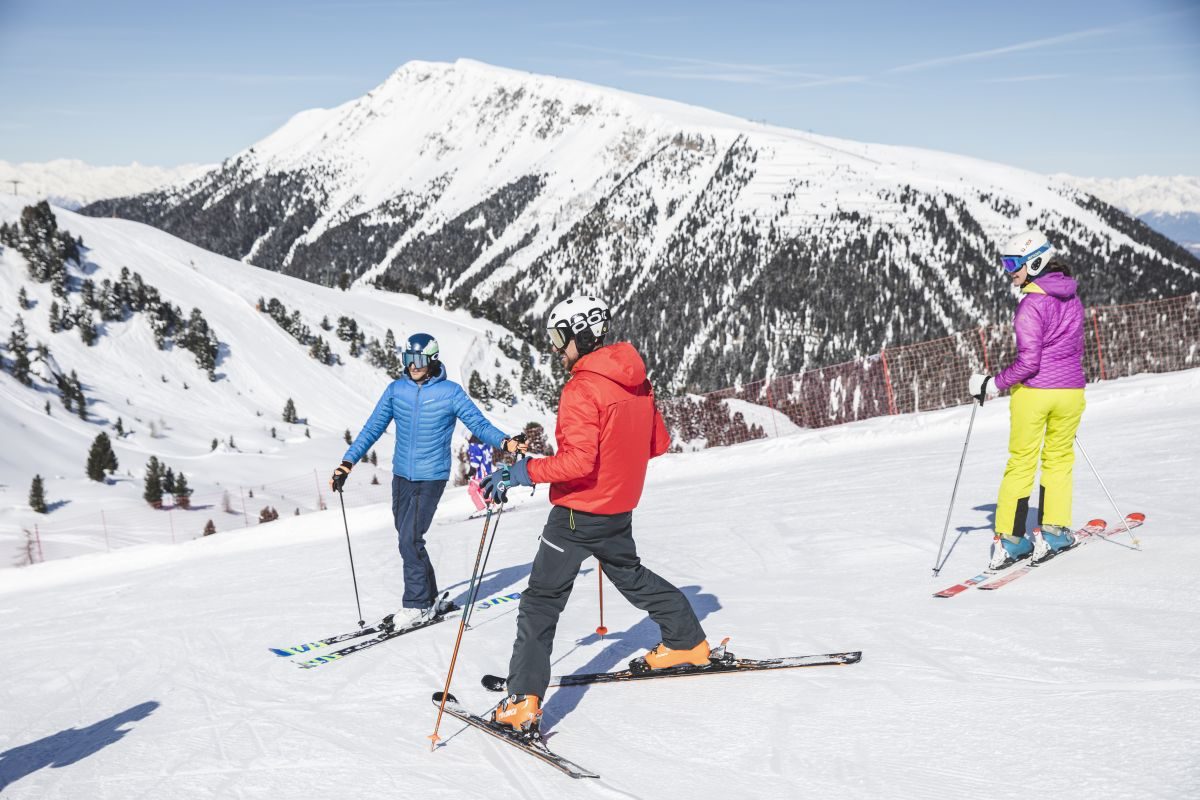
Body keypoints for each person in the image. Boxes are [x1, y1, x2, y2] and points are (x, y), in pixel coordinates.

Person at [479, 296, 709, 735]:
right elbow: (656, 443)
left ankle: (523, 701)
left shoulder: (582, 388)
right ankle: (687, 642)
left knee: (541, 601)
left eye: (556, 338)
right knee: (631, 575)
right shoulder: (635, 380)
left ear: (576, 335)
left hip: (576, 513)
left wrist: (525, 472)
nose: (554, 349)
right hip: (618, 507)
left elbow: (578, 464)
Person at [330, 333, 526, 626]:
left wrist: (506, 443)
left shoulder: (450, 393)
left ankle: (417, 604)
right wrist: (347, 463)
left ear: (433, 360)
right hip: (402, 477)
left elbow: (478, 425)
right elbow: (371, 428)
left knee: (409, 539)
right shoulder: (396, 391)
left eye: (419, 360)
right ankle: (430, 597)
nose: (413, 366)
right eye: (408, 359)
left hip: (431, 476)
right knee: (407, 538)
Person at [969, 230, 1086, 570]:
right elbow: (1074, 348)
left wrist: (992, 384)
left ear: (1034, 261)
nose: (1009, 271)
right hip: (1071, 393)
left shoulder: (1030, 305)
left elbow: (1028, 364)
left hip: (1034, 395)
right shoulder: (1073, 297)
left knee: (1021, 463)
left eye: (1013, 264)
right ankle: (1052, 533)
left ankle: (1012, 540)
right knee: (1059, 460)